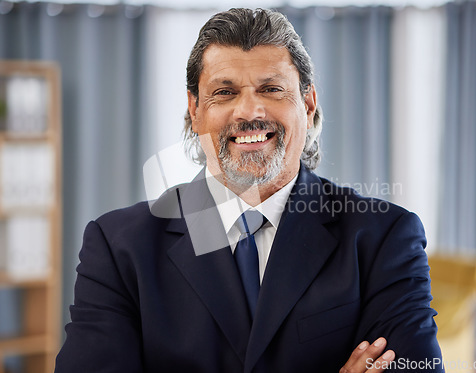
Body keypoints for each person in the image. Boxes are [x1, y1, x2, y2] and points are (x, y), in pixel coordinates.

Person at [55, 8, 444, 373]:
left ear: (308, 104)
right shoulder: (119, 245)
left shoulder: (384, 236)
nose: (249, 111)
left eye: (272, 89)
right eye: (224, 92)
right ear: (195, 110)